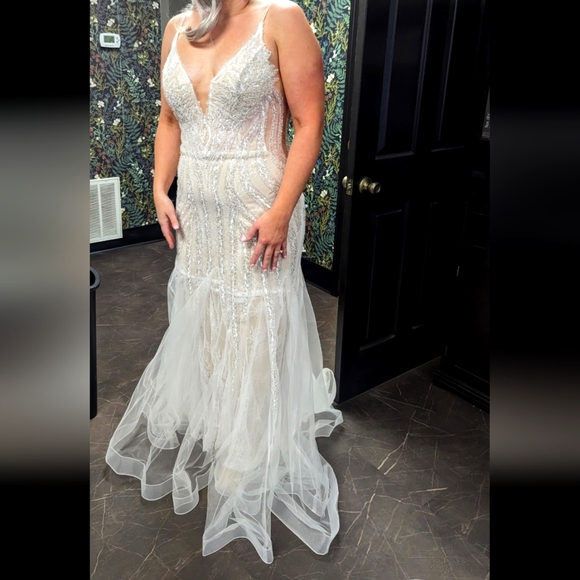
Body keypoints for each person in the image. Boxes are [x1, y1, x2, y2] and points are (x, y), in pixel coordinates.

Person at [105, 0, 343, 564]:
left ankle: (247, 453)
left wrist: (281, 211)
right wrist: (160, 189)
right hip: (197, 209)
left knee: (257, 321)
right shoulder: (177, 27)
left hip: (259, 208)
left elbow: (310, 123)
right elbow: (170, 122)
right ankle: (219, 419)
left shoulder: (280, 17)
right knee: (207, 316)